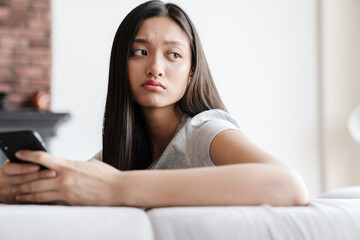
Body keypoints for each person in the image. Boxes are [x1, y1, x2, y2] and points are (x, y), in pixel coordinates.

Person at [0, 0, 308, 207]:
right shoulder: (121, 152)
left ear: (191, 73)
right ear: (121, 65)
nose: (156, 68)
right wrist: (17, 187)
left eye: (173, 55)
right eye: (140, 52)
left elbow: (288, 185)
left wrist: (117, 188)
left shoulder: (204, 131)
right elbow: (77, 186)